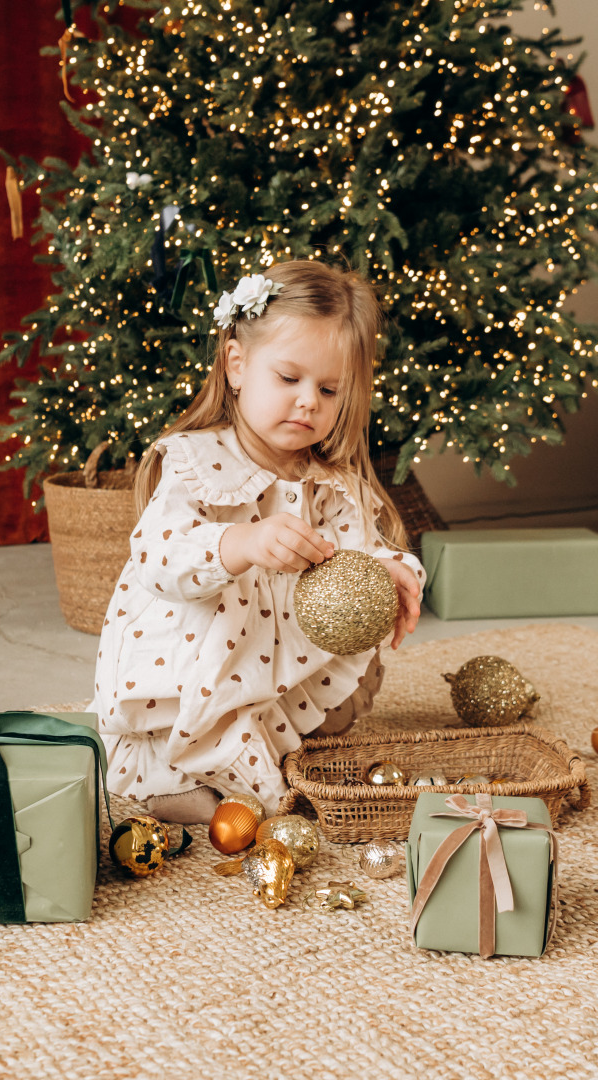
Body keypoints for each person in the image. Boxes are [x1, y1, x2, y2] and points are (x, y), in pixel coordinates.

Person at [88, 259, 424, 824]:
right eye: (289, 379)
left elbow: (362, 544)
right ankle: (168, 772)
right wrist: (238, 543)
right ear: (237, 365)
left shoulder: (329, 481)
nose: (308, 401)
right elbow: (157, 555)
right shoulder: (196, 461)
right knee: (204, 722)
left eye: (329, 388)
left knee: (353, 679)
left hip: (276, 650)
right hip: (205, 646)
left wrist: (392, 570)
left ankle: (274, 746)